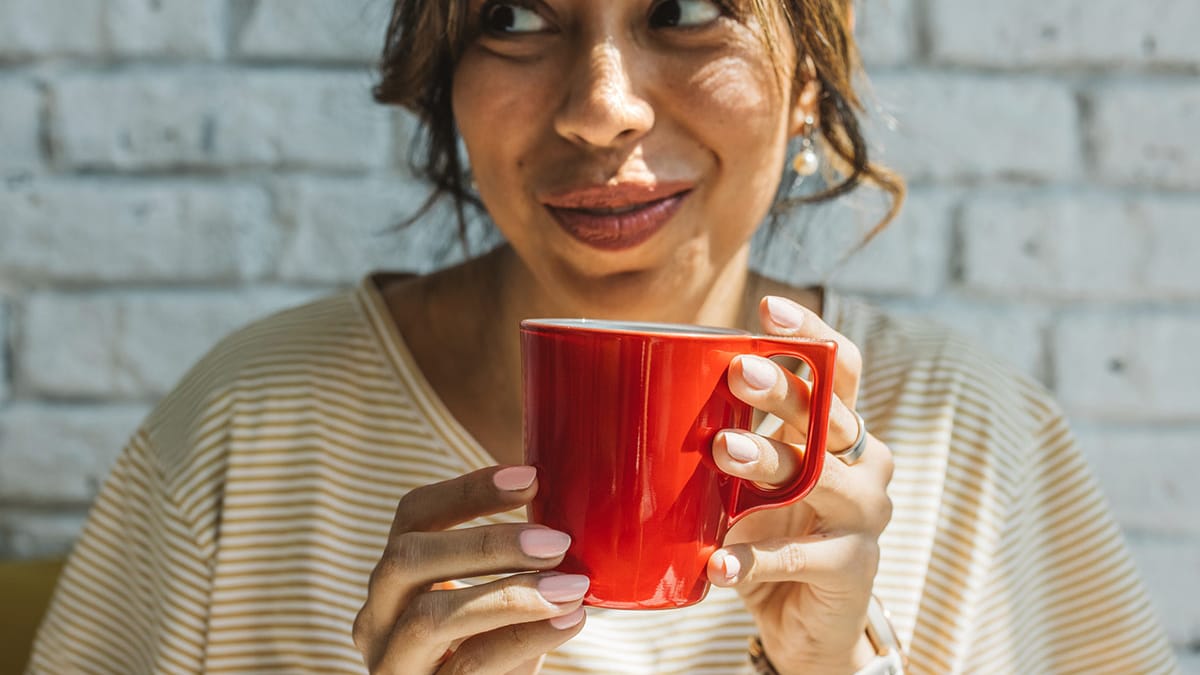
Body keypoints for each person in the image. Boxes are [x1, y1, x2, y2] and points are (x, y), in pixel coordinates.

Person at [28, 1, 1178, 673]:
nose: (601, 105)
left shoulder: (973, 444)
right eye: (515, 16)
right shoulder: (247, 429)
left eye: (683, 8)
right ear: (445, 78)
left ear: (811, 80)